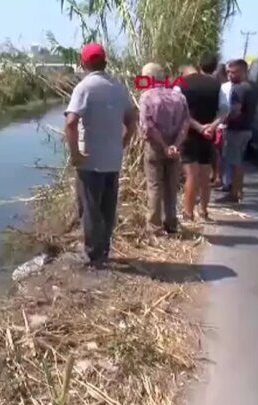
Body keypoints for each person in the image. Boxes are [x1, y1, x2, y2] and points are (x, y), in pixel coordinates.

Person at [64, 43, 137, 267]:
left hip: (90, 160)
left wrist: (75, 153)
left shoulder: (85, 87)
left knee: (89, 208)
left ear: (84, 62)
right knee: (107, 207)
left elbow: (71, 122)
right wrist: (123, 142)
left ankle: (92, 256)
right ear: (105, 61)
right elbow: (132, 117)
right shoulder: (117, 86)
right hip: (112, 159)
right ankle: (103, 250)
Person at [138, 63, 191, 233]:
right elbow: (186, 123)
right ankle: (171, 223)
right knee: (171, 186)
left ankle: (154, 225)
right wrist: (175, 145)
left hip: (155, 147)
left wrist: (164, 145)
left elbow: (147, 127)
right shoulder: (179, 97)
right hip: (175, 148)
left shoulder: (146, 97)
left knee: (154, 186)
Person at [175, 54, 226, 221]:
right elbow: (225, 110)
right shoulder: (217, 85)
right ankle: (204, 211)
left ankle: (188, 213)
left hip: (188, 134)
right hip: (208, 135)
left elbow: (180, 111)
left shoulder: (181, 84)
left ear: (198, 65)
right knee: (205, 174)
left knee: (191, 175)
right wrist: (210, 126)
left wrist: (198, 127)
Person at [220, 59, 258, 203]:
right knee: (240, 162)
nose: (229, 75)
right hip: (247, 129)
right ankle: (239, 191)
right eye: (228, 72)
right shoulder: (253, 87)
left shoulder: (238, 89)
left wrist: (223, 119)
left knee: (234, 162)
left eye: (233, 72)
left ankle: (234, 194)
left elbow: (235, 111)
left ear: (242, 71)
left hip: (236, 130)